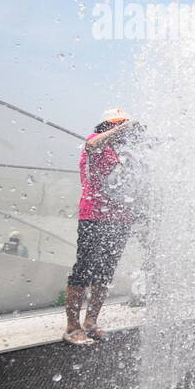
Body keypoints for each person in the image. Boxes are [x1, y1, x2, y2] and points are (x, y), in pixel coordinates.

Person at [62, 108, 139, 345]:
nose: (123, 132)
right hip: (94, 215)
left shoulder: (124, 153)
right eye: (117, 126)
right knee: (84, 268)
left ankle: (91, 322)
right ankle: (72, 326)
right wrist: (121, 128)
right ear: (106, 127)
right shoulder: (96, 144)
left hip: (121, 219)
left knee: (105, 271)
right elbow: (91, 145)